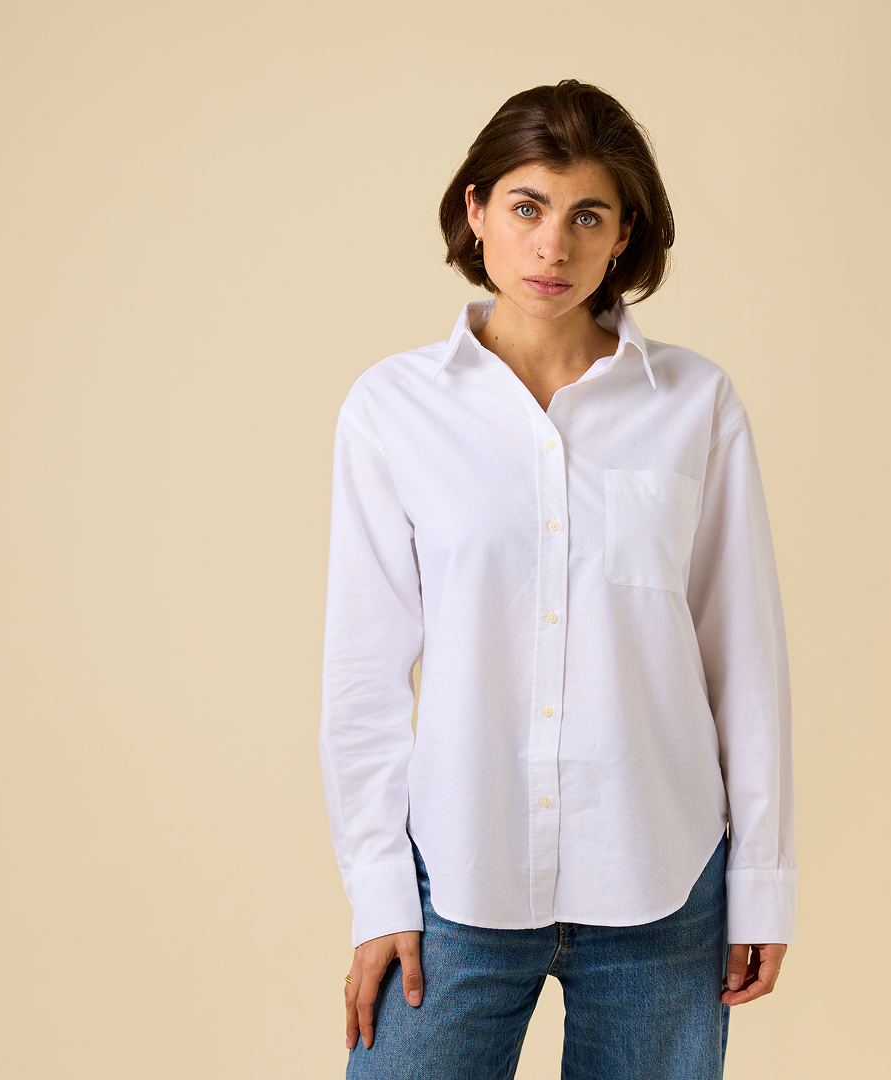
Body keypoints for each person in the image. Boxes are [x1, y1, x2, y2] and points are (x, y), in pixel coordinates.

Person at [319, 79, 796, 1080]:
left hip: (665, 885)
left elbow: (744, 657)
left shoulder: (697, 404)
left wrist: (762, 879)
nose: (553, 247)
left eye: (588, 216)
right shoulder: (392, 409)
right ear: (476, 209)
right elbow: (364, 675)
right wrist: (377, 891)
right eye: (528, 207)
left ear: (624, 237)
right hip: (459, 878)